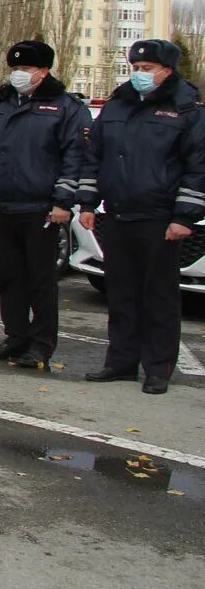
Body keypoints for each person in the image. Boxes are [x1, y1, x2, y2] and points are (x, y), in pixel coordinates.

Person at [78, 39, 205, 394]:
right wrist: (88, 203)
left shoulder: (186, 111)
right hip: (117, 214)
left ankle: (158, 368)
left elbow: (197, 169)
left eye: (147, 69)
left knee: (159, 296)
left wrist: (184, 217)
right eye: (135, 68)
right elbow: (94, 157)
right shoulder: (118, 106)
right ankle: (120, 362)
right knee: (121, 293)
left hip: (160, 218)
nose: (139, 74)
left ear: (167, 71)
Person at [0, 41, 89, 369]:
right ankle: (15, 336)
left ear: (44, 71)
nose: (18, 74)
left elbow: (73, 158)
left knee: (41, 280)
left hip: (43, 210)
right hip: (7, 205)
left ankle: (41, 344)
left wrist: (64, 201)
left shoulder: (64, 107)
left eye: (26, 69)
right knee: (11, 277)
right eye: (15, 68)